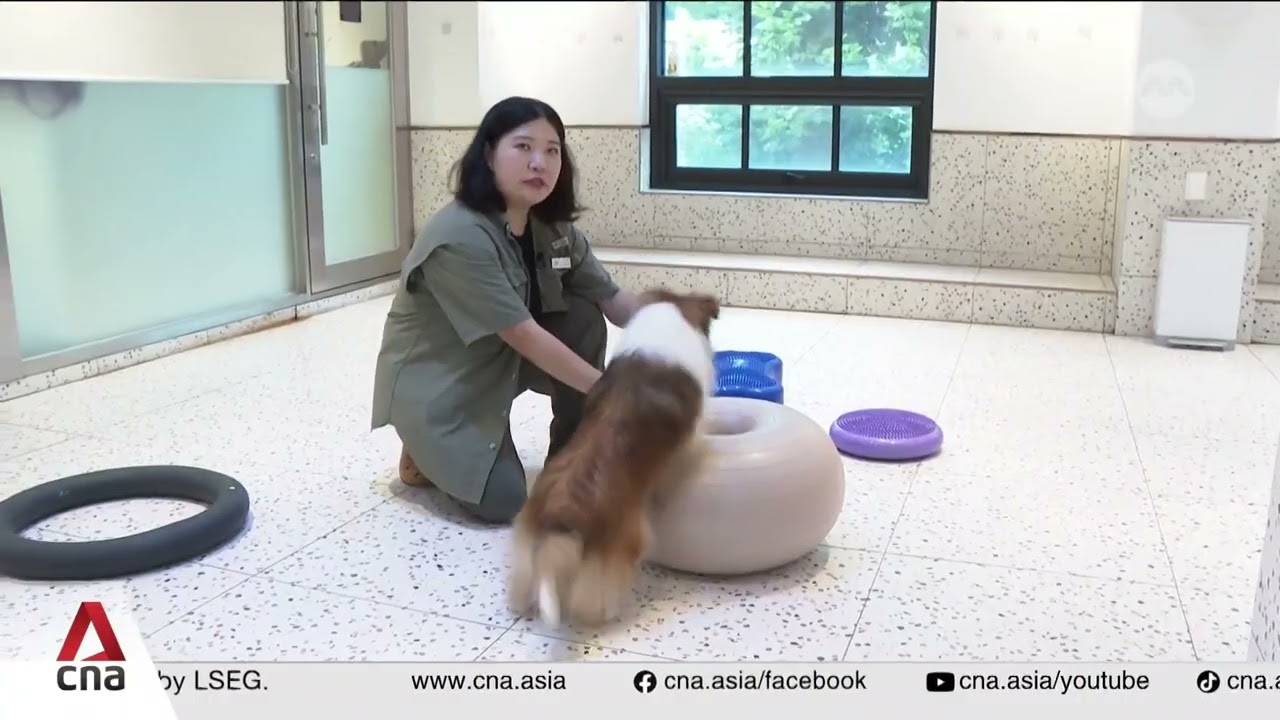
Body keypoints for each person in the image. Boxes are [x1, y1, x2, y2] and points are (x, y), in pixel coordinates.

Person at [371, 96, 644, 524]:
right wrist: (613, 392)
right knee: (504, 502)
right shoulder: (460, 237)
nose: (540, 163)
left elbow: (612, 300)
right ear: (488, 155)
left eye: (552, 150)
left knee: (581, 317)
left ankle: (571, 460)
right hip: (447, 383)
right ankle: (421, 445)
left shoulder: (552, 227)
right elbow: (523, 334)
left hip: (501, 361)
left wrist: (673, 327)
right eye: (523, 147)